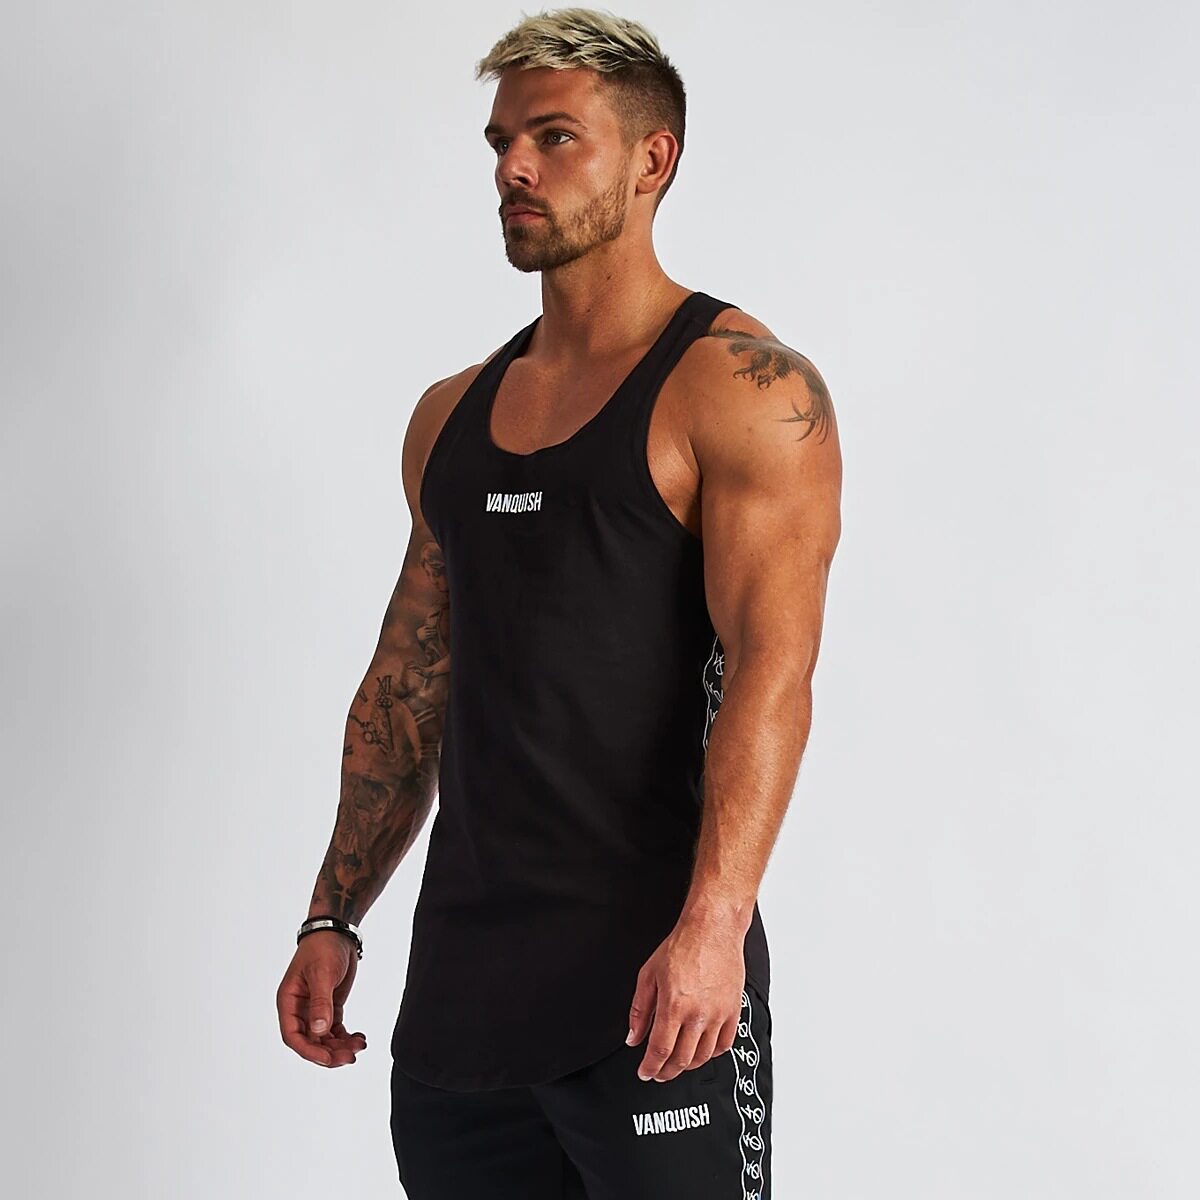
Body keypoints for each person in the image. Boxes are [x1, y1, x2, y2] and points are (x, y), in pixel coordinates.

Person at [276, 8, 842, 1198]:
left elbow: (773, 673)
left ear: (652, 159)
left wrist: (714, 927)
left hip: (656, 997)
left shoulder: (744, 392)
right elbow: (408, 686)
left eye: (553, 137)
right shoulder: (451, 416)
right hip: (461, 1009)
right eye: (501, 142)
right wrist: (333, 915)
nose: (513, 169)